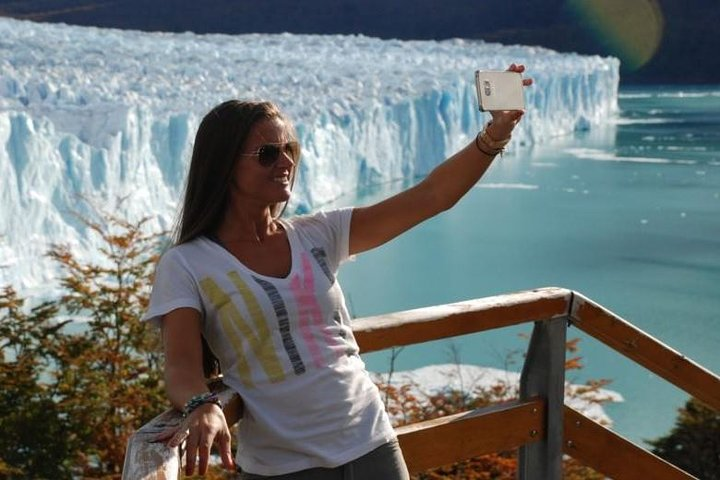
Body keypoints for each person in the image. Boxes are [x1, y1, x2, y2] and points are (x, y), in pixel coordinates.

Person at [144, 64, 531, 479]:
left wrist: (494, 137)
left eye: (289, 149)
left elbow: (432, 196)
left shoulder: (319, 233)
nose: (285, 163)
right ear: (223, 166)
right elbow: (182, 366)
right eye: (267, 154)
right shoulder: (187, 263)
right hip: (283, 465)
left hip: (371, 443)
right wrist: (202, 406)